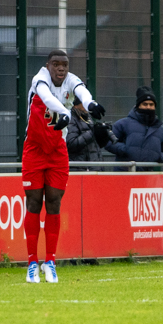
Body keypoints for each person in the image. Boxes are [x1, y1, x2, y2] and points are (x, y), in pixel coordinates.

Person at [22, 50, 105, 284]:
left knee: (54, 202)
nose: (61, 68)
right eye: (56, 64)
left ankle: (50, 262)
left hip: (58, 150)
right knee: (34, 202)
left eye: (65, 65)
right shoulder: (40, 80)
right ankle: (31, 263)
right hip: (35, 149)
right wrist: (64, 112)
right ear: (48, 66)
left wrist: (91, 103)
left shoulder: (71, 80)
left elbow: (82, 91)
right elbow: (47, 98)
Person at [106, 86, 163, 166]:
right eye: (145, 104)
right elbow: (108, 142)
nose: (148, 107)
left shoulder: (160, 130)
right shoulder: (123, 124)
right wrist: (125, 149)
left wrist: (159, 156)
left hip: (148, 175)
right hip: (124, 174)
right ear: (138, 105)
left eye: (151, 104)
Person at [66, 98, 114, 164]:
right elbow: (71, 144)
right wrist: (92, 132)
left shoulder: (87, 116)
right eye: (84, 103)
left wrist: (102, 135)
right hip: (80, 167)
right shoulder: (70, 118)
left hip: (94, 165)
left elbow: (95, 145)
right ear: (75, 105)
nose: (87, 106)